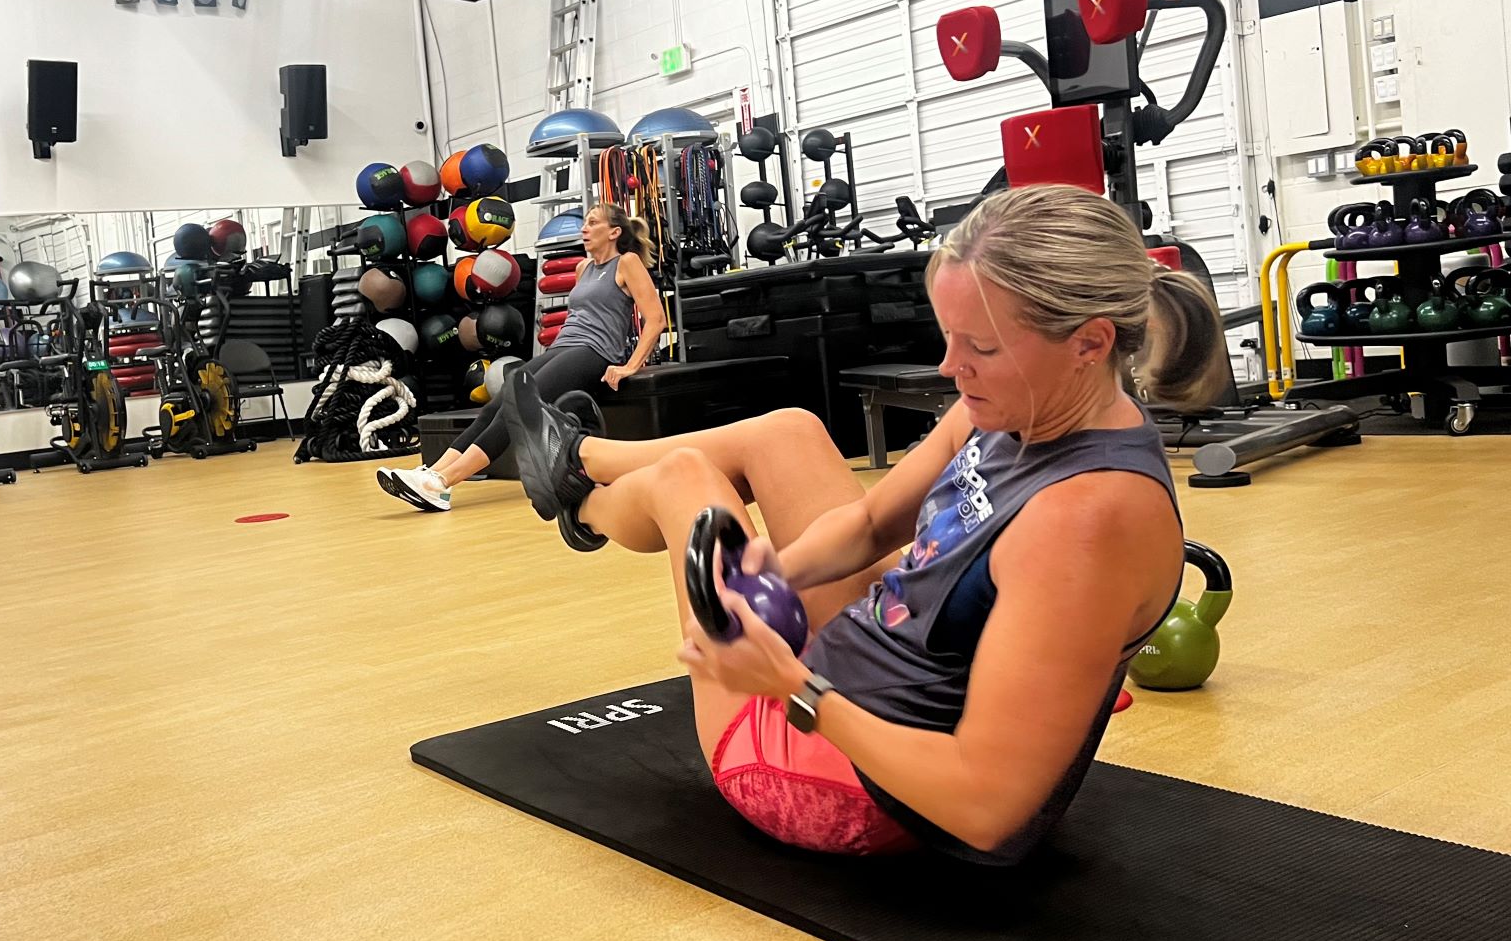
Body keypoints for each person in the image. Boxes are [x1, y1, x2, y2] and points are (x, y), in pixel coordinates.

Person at [499, 184, 1225, 864]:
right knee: (787, 432)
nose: (950, 368)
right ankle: (580, 459)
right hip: (874, 657)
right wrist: (774, 572)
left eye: (981, 348)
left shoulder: (1084, 520)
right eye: (950, 337)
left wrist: (787, 682)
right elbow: (873, 520)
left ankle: (583, 499)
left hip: (858, 787)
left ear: (1091, 343)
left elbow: (984, 808)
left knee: (687, 481)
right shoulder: (1018, 406)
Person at [378, 203, 667, 512]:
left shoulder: (627, 263)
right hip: (563, 346)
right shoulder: (584, 268)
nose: (584, 228)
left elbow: (656, 319)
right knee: (497, 403)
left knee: (518, 404)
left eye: (592, 223)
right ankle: (432, 471)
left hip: (593, 351)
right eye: (584, 222)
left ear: (614, 232)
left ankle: (442, 483)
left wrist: (629, 366)